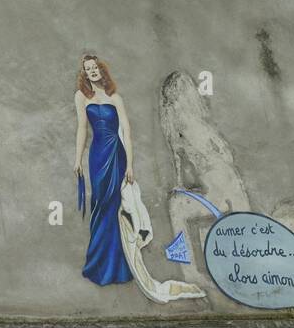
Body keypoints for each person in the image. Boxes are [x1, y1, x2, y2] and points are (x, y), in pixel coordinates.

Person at [73, 55, 204, 301]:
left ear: (101, 70)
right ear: (85, 73)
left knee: (115, 207)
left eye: (94, 68)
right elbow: (82, 128)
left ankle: (119, 266)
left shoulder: (115, 99)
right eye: (87, 69)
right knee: (100, 204)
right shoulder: (82, 97)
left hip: (117, 154)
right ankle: (99, 264)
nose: (91, 72)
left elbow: (127, 133)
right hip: (98, 156)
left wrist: (130, 165)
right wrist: (77, 159)